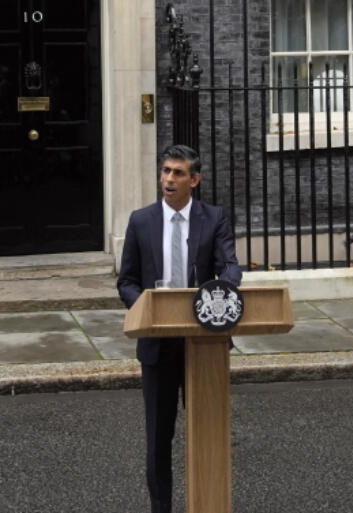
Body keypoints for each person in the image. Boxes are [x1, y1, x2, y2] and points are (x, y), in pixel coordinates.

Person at [117, 144, 243, 513]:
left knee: (206, 431)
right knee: (159, 436)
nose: (168, 179)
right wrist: (146, 310)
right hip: (158, 343)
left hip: (203, 341)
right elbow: (127, 281)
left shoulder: (214, 218)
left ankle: (206, 502)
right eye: (165, 171)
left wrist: (221, 294)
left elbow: (230, 267)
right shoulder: (141, 221)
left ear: (195, 179)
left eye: (177, 173)